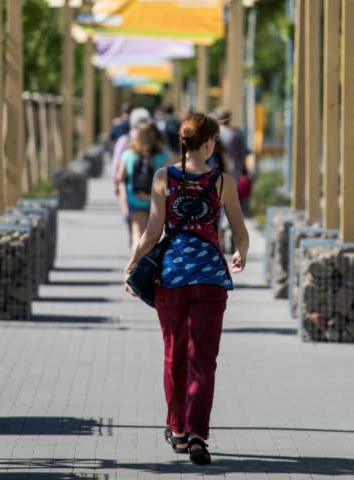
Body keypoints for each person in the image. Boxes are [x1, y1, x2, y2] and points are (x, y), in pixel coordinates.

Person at [124, 112, 249, 466]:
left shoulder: (164, 178)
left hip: (172, 279)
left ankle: (177, 429)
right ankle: (197, 435)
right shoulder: (222, 181)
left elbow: (152, 231)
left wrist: (132, 262)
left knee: (174, 354)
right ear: (208, 143)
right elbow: (239, 232)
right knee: (203, 360)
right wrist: (242, 253)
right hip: (210, 278)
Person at [116, 119, 169, 249]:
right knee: (152, 237)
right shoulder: (163, 156)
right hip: (156, 201)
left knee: (137, 233)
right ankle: (148, 265)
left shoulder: (128, 155)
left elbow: (120, 177)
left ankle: (135, 264)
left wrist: (123, 198)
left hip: (134, 198)